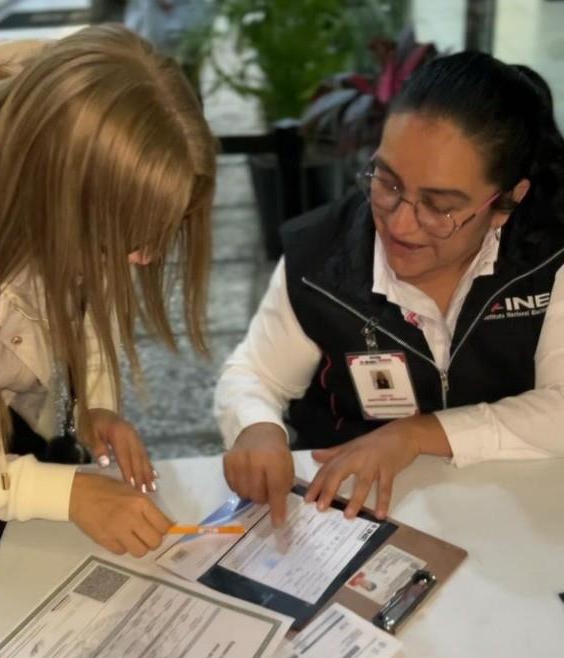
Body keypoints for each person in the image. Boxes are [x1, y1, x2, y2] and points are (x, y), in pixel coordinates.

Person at [215, 52, 564, 525]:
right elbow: (257, 374)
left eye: (439, 206)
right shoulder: (321, 259)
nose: (400, 223)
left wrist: (414, 435)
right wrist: (256, 427)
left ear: (506, 202)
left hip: (509, 511)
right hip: (350, 514)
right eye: (388, 182)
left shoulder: (548, 254)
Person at [0, 27, 216, 565]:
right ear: (59, 193)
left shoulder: (69, 134)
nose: (145, 258)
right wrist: (66, 494)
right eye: (124, 237)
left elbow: (82, 300)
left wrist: (95, 405)